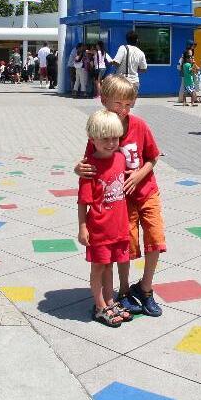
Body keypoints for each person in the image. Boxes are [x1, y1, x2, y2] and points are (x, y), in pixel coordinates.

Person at [75, 76, 167, 318]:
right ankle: (124, 291)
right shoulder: (101, 131)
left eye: (129, 104)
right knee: (127, 244)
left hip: (147, 191)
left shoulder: (140, 126)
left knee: (156, 237)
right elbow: (90, 164)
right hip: (120, 200)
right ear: (104, 101)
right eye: (118, 104)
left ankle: (145, 288)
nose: (124, 110)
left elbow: (153, 157)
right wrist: (78, 169)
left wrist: (138, 175)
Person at [77, 109, 133, 328]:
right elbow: (83, 201)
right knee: (99, 268)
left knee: (110, 266)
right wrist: (83, 227)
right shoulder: (89, 167)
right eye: (105, 139)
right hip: (99, 229)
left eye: (115, 138)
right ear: (93, 140)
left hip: (118, 227)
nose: (111, 143)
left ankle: (110, 301)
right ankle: (100, 306)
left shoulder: (120, 158)